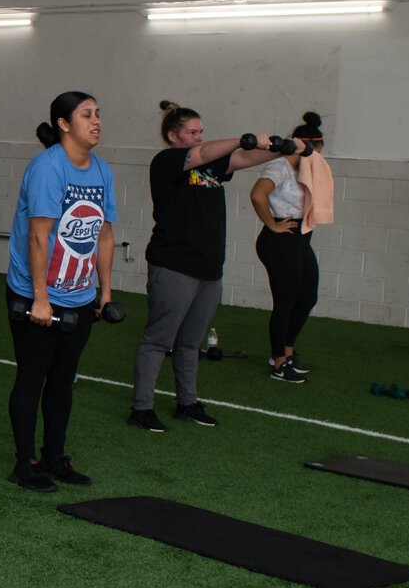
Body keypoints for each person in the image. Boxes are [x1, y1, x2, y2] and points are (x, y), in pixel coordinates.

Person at [128, 101, 304, 431]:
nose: (198, 137)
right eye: (191, 132)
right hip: (174, 263)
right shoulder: (166, 161)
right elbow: (204, 153)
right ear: (173, 135)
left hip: (209, 268)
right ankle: (142, 408)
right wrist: (242, 137)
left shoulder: (212, 169)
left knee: (191, 341)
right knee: (158, 339)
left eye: (201, 132)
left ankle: (187, 403)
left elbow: (246, 158)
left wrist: (283, 147)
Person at [3, 91, 116, 492]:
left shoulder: (102, 171)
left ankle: (54, 457)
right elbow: (38, 237)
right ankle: (24, 463)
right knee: (32, 378)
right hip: (35, 295)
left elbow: (103, 235)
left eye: (98, 113)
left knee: (63, 380)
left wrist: (104, 292)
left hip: (80, 295)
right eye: (87, 114)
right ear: (64, 124)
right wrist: (39, 297)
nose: (97, 120)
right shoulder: (48, 169)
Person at [249, 112, 324, 383]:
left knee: (308, 296)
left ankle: (287, 350)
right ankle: (279, 362)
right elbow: (257, 194)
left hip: (301, 237)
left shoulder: (308, 168)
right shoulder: (279, 167)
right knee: (286, 300)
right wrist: (272, 224)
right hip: (280, 238)